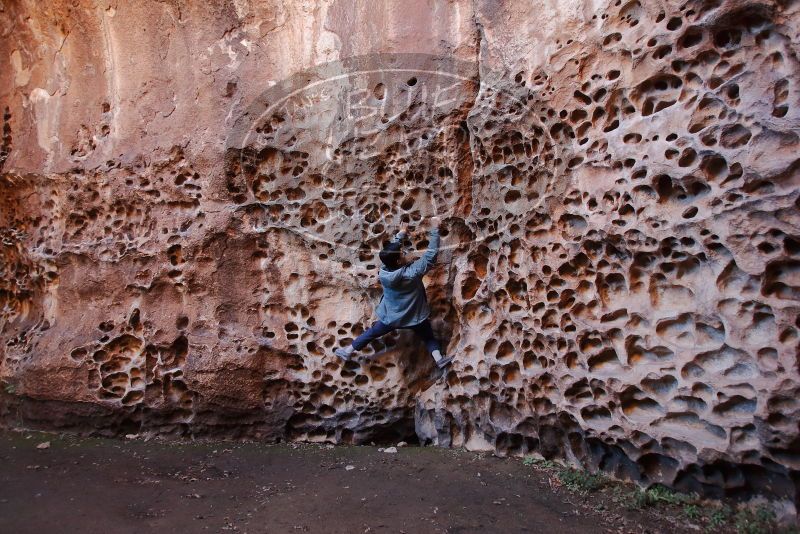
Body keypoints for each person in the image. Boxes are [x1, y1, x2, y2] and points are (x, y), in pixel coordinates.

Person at [335, 216, 453, 369]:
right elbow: (430, 256)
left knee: (372, 333)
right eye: (402, 254)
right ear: (398, 261)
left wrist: (401, 234)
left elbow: (389, 254)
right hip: (414, 317)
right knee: (428, 336)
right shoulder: (412, 273)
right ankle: (438, 359)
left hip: (391, 317)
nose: (404, 254)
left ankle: (348, 350)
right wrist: (435, 230)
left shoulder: (384, 272)